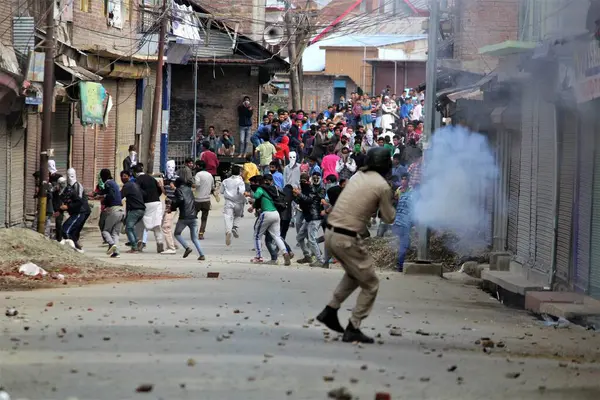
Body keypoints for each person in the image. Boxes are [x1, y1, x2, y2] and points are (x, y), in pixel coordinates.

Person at [316, 147, 395, 344]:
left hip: (331, 233)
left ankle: (330, 310)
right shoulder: (383, 186)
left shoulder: (358, 175)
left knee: (354, 274)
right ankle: (354, 326)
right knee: (371, 283)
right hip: (347, 238)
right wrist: (392, 200)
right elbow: (388, 217)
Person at [245, 176, 291, 265]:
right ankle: (285, 253)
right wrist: (254, 206)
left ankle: (258, 257)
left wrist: (248, 194)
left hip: (266, 213)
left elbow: (256, 195)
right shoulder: (273, 188)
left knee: (257, 235)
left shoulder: (261, 188)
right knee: (277, 236)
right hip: (276, 214)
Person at [293, 172, 326, 268]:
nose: (303, 183)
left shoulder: (311, 188)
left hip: (314, 217)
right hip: (308, 217)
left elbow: (309, 200)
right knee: (299, 237)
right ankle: (307, 255)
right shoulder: (303, 189)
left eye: (304, 181)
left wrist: (300, 194)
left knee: (311, 239)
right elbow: (300, 202)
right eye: (301, 181)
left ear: (308, 181)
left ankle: (320, 260)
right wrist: (296, 195)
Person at [133, 164, 166, 253]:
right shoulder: (152, 178)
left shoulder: (137, 180)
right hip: (156, 203)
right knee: (157, 224)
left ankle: (140, 243)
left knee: (140, 224)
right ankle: (160, 244)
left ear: (135, 173)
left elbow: (137, 192)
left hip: (145, 204)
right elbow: (159, 190)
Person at [172, 177, 206, 260]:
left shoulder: (178, 190)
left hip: (184, 217)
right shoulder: (189, 189)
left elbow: (180, 199)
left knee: (177, 233)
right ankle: (202, 254)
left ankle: (187, 247)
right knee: (194, 238)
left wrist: (172, 207)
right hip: (193, 216)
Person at [60, 168, 91, 253]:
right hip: (76, 211)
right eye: (69, 175)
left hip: (81, 211)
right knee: (72, 231)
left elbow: (79, 201)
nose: (70, 177)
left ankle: (74, 248)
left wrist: (68, 207)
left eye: (72, 175)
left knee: (68, 230)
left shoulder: (77, 186)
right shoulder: (69, 187)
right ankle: (76, 248)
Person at [97, 169, 125, 258]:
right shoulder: (114, 183)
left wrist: (104, 201)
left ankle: (111, 244)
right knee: (115, 233)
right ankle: (116, 253)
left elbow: (110, 195)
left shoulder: (108, 183)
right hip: (121, 210)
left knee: (105, 230)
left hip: (114, 210)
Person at [120, 170, 146, 253]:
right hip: (141, 209)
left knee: (128, 228)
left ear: (129, 176)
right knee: (131, 227)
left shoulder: (127, 186)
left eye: (125, 176)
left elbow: (120, 196)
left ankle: (134, 247)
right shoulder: (135, 185)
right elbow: (144, 194)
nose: (123, 178)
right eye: (122, 176)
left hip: (135, 210)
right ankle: (137, 242)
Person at [220, 164, 246, 246]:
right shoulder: (240, 181)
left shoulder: (225, 181)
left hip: (228, 202)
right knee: (238, 215)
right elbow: (242, 192)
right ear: (239, 172)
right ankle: (235, 227)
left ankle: (228, 231)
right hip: (238, 202)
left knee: (227, 217)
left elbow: (221, 191)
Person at [392, 173, 413, 272]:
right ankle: (399, 265)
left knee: (404, 242)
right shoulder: (400, 191)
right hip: (402, 223)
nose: (403, 181)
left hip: (401, 222)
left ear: (408, 181)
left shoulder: (410, 192)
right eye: (402, 179)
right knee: (403, 244)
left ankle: (400, 261)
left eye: (405, 179)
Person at [194, 160, 215, 240]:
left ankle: (194, 232)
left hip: (198, 200)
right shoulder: (210, 175)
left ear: (199, 166)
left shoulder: (198, 175)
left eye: (196, 165)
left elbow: (197, 184)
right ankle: (201, 234)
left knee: (194, 217)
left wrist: (193, 186)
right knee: (204, 218)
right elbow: (212, 187)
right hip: (206, 200)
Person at [161, 160, 179, 255]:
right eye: (168, 167)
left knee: (166, 226)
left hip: (173, 205)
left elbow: (181, 192)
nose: (170, 169)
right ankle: (173, 244)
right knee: (165, 225)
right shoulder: (165, 178)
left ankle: (171, 247)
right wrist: (161, 187)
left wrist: (175, 188)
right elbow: (166, 193)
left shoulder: (177, 179)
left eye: (172, 167)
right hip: (168, 204)